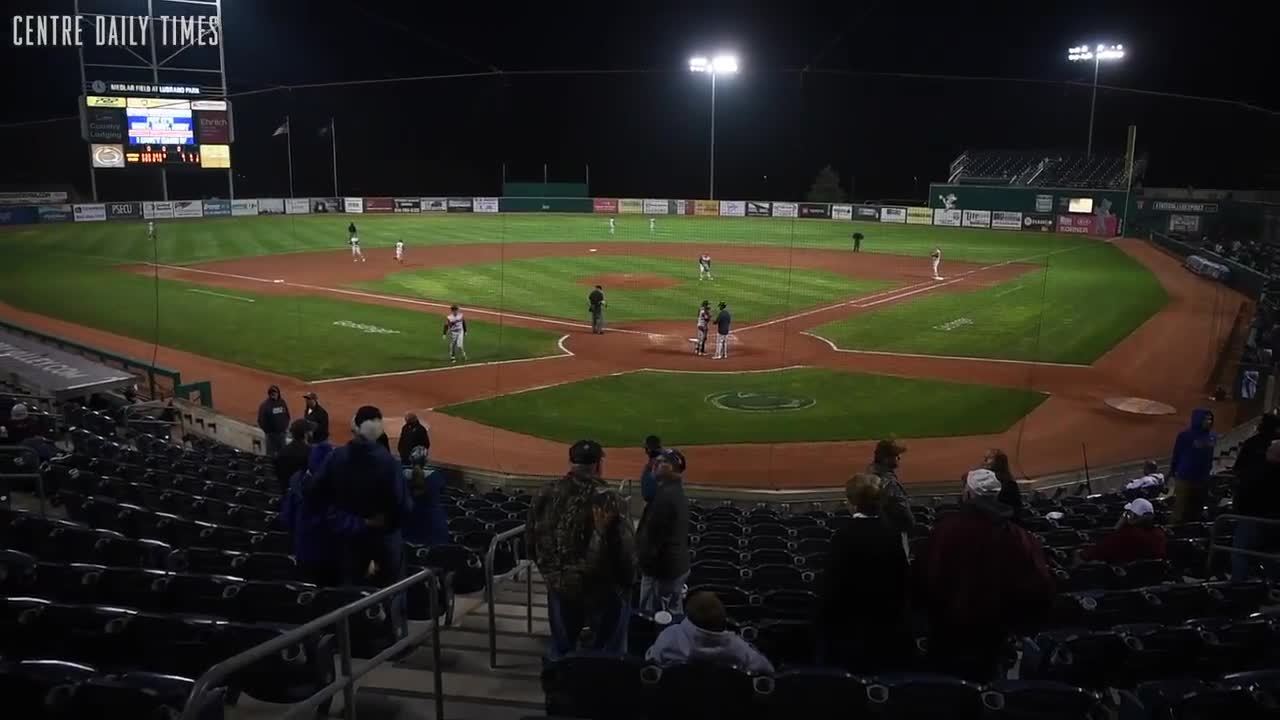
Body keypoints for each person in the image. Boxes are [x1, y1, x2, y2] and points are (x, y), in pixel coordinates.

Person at [914, 469, 1054, 682]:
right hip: (996, 634)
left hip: (948, 630)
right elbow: (1040, 586)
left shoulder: (944, 531)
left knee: (946, 687)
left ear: (969, 494)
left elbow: (924, 579)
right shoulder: (1020, 536)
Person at [527, 439, 634, 659]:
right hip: (600, 590)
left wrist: (550, 574)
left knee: (562, 647)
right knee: (606, 651)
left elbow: (529, 541)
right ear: (598, 465)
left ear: (571, 462)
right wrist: (627, 583)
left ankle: (559, 678)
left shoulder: (544, 492)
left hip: (559, 584)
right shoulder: (610, 499)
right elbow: (625, 552)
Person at [308, 406, 412, 587]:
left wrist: (342, 519)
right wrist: (379, 524)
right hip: (382, 543)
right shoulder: (390, 464)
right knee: (387, 593)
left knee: (347, 592)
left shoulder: (335, 457)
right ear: (380, 432)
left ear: (356, 427)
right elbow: (403, 507)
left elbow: (314, 493)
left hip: (344, 539)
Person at [819, 473, 912, 672]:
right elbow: (903, 578)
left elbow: (832, 585)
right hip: (886, 622)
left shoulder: (842, 536)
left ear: (852, 503)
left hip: (851, 625)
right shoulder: (892, 534)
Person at [645, 591, 774, 674]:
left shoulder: (670, 637)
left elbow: (652, 659)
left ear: (688, 617)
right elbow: (767, 670)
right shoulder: (739, 648)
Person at [636, 448, 690, 615]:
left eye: (663, 462)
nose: (656, 464)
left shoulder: (665, 497)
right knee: (672, 613)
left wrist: (643, 565)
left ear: (674, 468)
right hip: (674, 566)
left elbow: (653, 540)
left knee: (653, 616)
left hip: (661, 571)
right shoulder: (671, 490)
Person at [1230, 415, 1280, 580]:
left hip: (1253, 515)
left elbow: (1240, 476)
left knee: (1241, 552)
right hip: (1272, 518)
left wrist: (1238, 507)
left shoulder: (1257, 466)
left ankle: (1241, 587)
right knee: (1270, 554)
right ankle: (1270, 586)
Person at [1076, 498, 1167, 565]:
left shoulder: (1126, 534)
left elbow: (1096, 552)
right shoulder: (1159, 534)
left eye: (1127, 513)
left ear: (1132, 516)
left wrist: (1118, 527)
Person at [1169, 408, 1217, 523]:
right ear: (1198, 419)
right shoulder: (1185, 436)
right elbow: (1177, 453)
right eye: (1205, 419)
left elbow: (1209, 457)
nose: (1209, 422)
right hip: (1185, 478)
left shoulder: (1213, 436)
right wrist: (1172, 471)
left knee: (1197, 509)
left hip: (1202, 479)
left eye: (1210, 419)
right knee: (1180, 509)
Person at [867, 439, 915, 540]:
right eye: (895, 456)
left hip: (873, 532)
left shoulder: (869, 474)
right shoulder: (889, 482)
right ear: (886, 459)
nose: (899, 458)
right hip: (891, 537)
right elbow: (906, 516)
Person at [403, 446, 449, 546]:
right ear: (426, 461)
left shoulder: (400, 475)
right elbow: (442, 490)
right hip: (433, 528)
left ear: (410, 459)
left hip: (406, 527)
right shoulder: (435, 476)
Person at [273, 418, 313, 493]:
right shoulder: (310, 452)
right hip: (302, 493)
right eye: (310, 431)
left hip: (284, 491)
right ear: (305, 435)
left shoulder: (282, 451)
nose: (311, 433)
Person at [984, 449, 1022, 513]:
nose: (985, 460)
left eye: (989, 458)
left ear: (998, 462)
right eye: (985, 457)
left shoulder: (1008, 484)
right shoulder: (985, 478)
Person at [257, 385, 291, 456]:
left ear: (278, 393)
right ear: (269, 394)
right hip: (271, 436)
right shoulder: (265, 405)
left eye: (275, 392)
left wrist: (285, 428)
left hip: (282, 434)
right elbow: (260, 420)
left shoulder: (282, 402)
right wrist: (268, 432)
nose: (274, 394)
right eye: (272, 393)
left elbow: (287, 416)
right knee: (270, 455)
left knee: (283, 455)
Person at [638, 435, 664, 502]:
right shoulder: (662, 459)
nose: (645, 451)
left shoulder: (656, 464)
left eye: (646, 448)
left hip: (656, 502)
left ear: (649, 449)